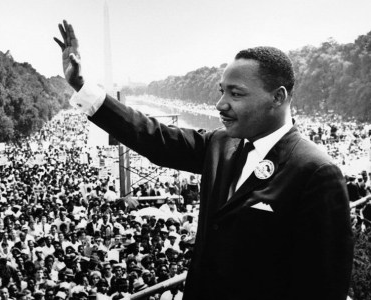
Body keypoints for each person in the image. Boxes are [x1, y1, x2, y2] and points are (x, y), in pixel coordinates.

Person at [54, 20, 353, 300]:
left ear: (277, 97)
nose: (220, 104)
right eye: (222, 91)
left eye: (235, 94)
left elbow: (322, 287)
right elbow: (151, 137)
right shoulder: (220, 144)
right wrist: (82, 86)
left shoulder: (316, 172)